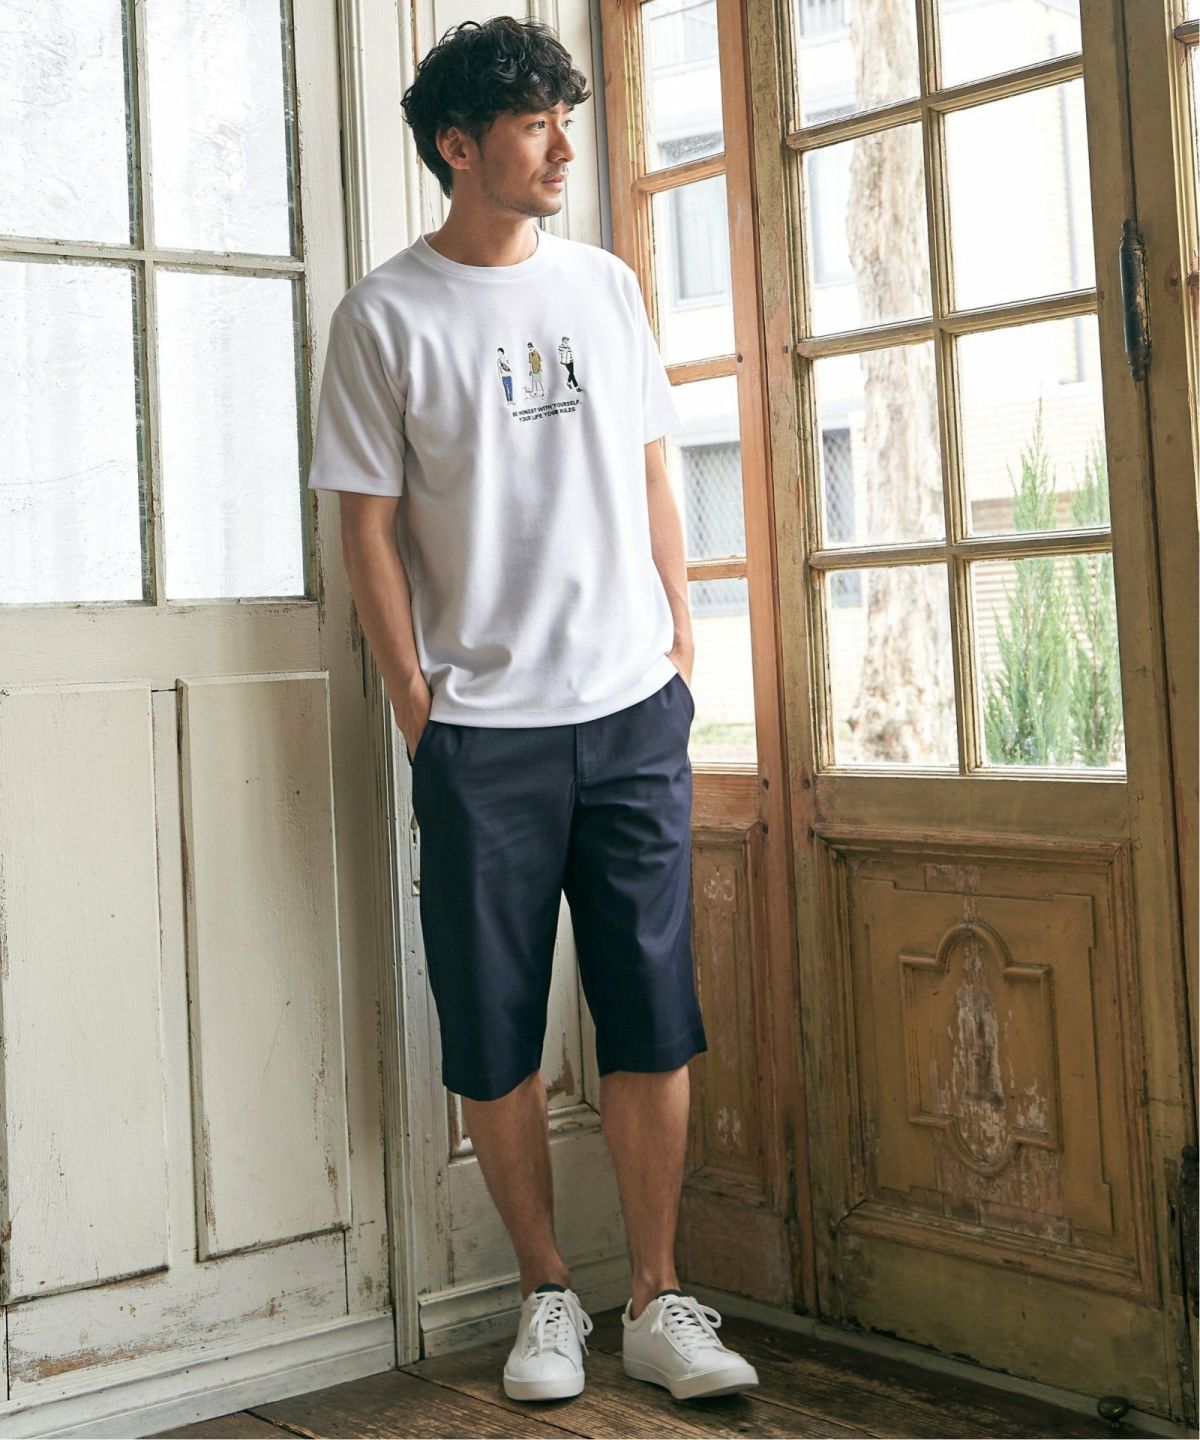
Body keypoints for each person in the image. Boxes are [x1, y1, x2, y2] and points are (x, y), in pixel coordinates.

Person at [306, 13, 759, 1407]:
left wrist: (679, 640)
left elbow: (653, 470)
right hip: (481, 735)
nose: (566, 145)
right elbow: (366, 527)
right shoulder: (384, 317)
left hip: (631, 712)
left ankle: (659, 1297)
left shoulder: (607, 287)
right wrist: (416, 704)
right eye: (535, 124)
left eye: (568, 117)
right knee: (493, 1021)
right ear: (459, 145)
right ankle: (545, 1292)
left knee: (652, 1011)